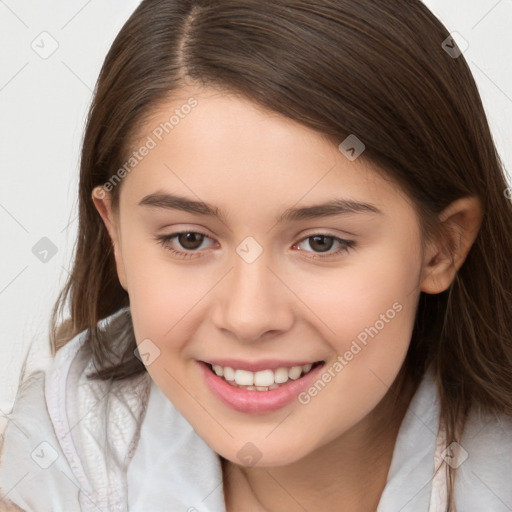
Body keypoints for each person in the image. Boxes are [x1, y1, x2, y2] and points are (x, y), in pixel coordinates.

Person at [1, 0, 511, 510]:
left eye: (321, 242)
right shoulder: (43, 471)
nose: (248, 318)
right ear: (116, 237)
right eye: (189, 239)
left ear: (442, 248)